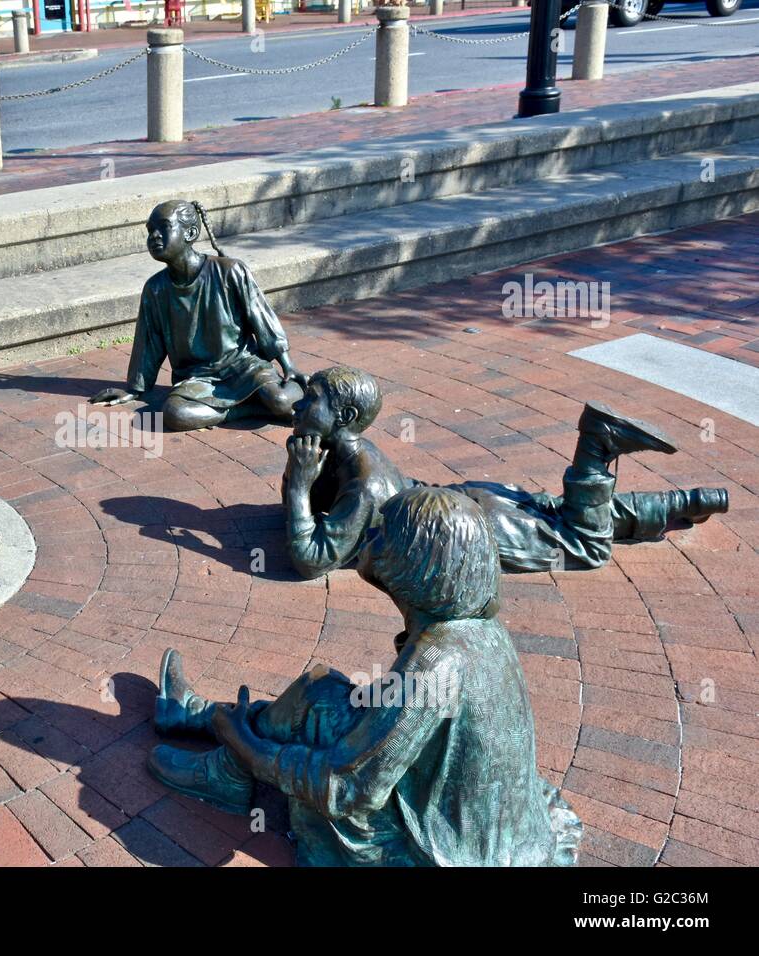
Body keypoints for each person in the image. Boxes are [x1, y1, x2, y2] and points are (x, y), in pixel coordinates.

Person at [149, 487, 584, 866]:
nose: (368, 536)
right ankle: (208, 724)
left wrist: (251, 749)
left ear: (411, 561)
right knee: (326, 695)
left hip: (435, 853)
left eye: (380, 532)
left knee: (317, 700)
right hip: (498, 834)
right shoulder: (482, 632)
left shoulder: (436, 660)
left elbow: (352, 788)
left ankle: (226, 758)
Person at [282, 366, 727, 581]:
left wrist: (298, 490)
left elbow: (311, 559)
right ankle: (676, 504)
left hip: (469, 526)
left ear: (346, 416)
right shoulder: (346, 451)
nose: (299, 405)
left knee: (584, 544)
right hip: (463, 502)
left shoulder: (365, 481)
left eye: (312, 400)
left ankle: (595, 444)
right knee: (562, 515)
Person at [89, 199, 308, 432]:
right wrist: (135, 388)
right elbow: (148, 343)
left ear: (190, 233)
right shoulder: (155, 289)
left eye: (163, 227)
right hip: (197, 379)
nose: (154, 236)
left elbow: (262, 319)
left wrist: (287, 364)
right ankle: (249, 409)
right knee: (175, 414)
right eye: (150, 230)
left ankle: (274, 401)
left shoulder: (229, 271)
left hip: (244, 367)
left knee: (281, 400)